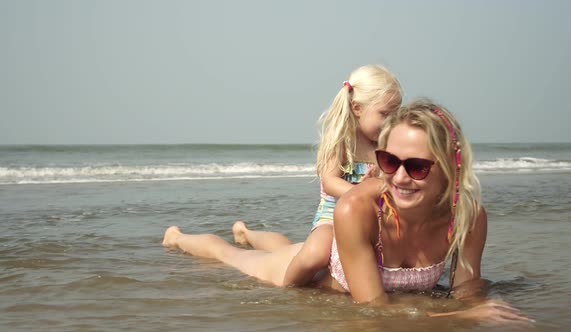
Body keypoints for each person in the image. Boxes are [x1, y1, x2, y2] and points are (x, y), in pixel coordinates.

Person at [163, 99, 531, 324]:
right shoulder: (357, 208)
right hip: (318, 277)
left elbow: (466, 290)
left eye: (417, 166)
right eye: (389, 161)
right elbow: (373, 310)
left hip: (328, 258)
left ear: (453, 168)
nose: (399, 178)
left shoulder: (467, 215)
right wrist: (461, 316)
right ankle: (179, 237)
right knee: (232, 257)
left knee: (282, 246)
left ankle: (249, 233)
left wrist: (475, 310)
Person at [233, 64, 403, 286]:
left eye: (396, 114)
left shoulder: (388, 144)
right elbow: (330, 182)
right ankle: (288, 290)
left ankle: (246, 234)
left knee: (287, 250)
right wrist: (360, 191)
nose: (391, 121)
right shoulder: (343, 141)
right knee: (315, 254)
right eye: (384, 114)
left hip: (369, 221)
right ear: (357, 108)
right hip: (331, 219)